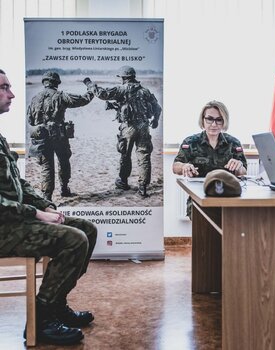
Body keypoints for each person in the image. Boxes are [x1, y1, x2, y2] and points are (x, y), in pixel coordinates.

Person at [0, 69, 97, 345]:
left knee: (86, 230)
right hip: (5, 227)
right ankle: (41, 319)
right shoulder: (61, 96)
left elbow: (18, 183)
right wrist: (36, 213)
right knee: (74, 240)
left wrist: (46, 205)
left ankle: (55, 304)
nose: (12, 93)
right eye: (4, 87)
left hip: (13, 220)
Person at [83, 66, 162, 197]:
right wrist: (156, 121)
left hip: (128, 127)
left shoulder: (120, 89)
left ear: (124, 78)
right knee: (144, 156)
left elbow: (102, 94)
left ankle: (123, 182)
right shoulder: (145, 91)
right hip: (144, 126)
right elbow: (157, 108)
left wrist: (89, 84)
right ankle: (143, 187)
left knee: (125, 155)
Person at [27, 71, 94, 201]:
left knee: (46, 168)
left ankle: (47, 197)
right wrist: (91, 90)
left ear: (44, 82)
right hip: (59, 137)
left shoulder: (35, 98)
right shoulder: (61, 96)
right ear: (57, 83)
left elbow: (30, 120)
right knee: (63, 162)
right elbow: (83, 100)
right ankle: (64, 189)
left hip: (42, 138)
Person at [173, 100, 247, 216]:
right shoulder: (191, 142)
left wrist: (238, 166)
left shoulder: (233, 143)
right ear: (203, 120)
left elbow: (243, 171)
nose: (214, 124)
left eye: (219, 120)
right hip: (200, 196)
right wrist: (184, 166)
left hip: (228, 196)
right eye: (209, 119)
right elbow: (175, 167)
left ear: (224, 121)